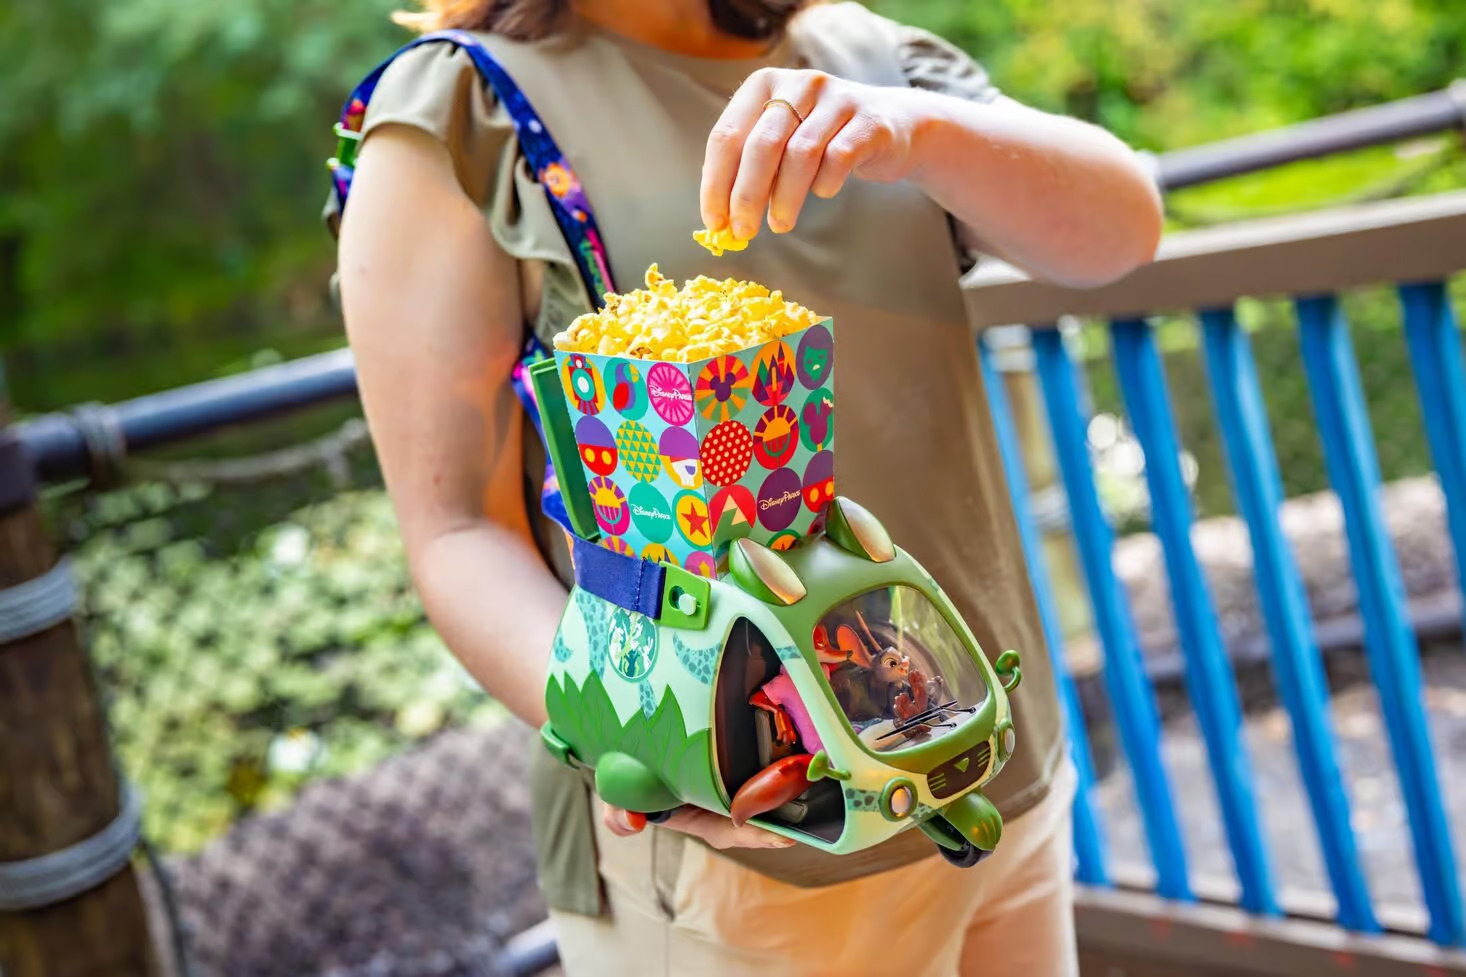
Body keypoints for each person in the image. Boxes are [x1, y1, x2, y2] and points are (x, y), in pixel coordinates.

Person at [332, 0, 1162, 971]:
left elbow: (1116, 231)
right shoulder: (461, 110)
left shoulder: (863, 53)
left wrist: (915, 130)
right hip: (747, 859)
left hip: (989, 770)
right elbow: (456, 529)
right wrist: (663, 741)